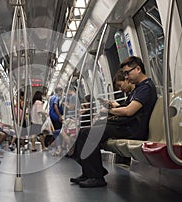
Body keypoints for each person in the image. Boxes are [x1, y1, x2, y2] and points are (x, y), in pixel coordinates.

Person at [70, 56, 157, 188]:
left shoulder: (146, 88)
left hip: (132, 129)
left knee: (89, 133)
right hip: (127, 125)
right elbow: (126, 107)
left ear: (138, 69)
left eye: (128, 73)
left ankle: (96, 177)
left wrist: (109, 111)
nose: (126, 77)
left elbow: (128, 111)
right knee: (83, 132)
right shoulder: (138, 89)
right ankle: (89, 172)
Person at [49, 87, 64, 155]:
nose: (61, 93)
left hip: (52, 116)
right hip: (56, 116)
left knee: (57, 131)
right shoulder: (56, 97)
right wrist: (60, 116)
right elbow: (55, 106)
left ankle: (59, 147)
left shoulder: (51, 97)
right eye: (61, 92)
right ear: (58, 91)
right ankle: (59, 148)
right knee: (59, 132)